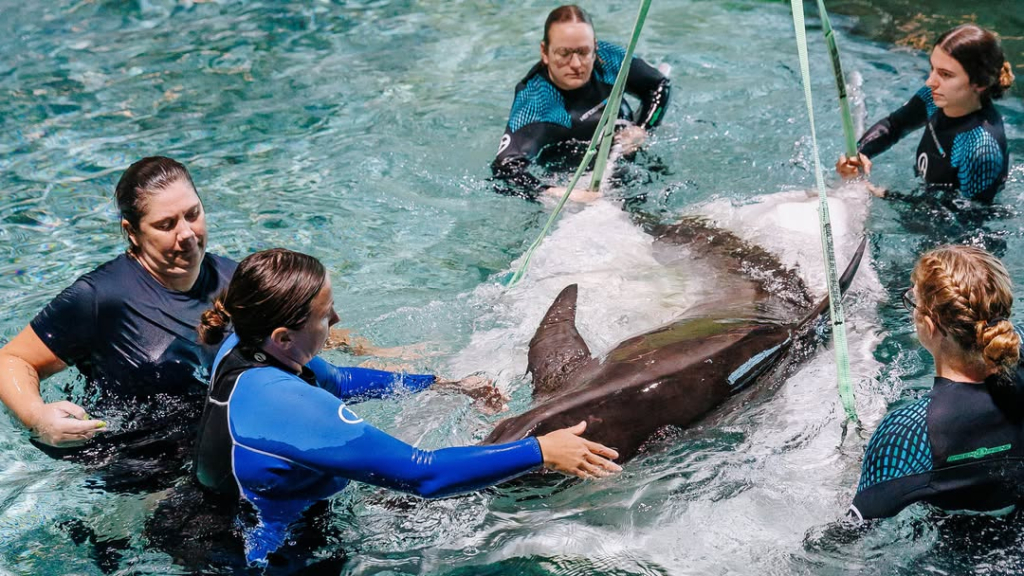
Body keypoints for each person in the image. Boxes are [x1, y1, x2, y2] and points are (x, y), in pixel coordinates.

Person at [193, 248, 622, 568]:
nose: (338, 320)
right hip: (268, 558)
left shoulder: (242, 341)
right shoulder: (285, 405)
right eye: (325, 316)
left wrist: (440, 385)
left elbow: (337, 379)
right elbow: (424, 473)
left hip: (213, 515)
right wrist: (541, 451)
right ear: (283, 338)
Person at [0, 157, 237, 471]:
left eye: (193, 215)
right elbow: (12, 360)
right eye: (166, 225)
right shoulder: (102, 297)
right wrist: (38, 418)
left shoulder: (237, 280)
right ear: (133, 232)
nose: (187, 235)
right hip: (137, 465)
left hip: (218, 448)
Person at [850, 245, 1024, 520]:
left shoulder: (908, 432)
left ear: (929, 326)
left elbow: (849, 533)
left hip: (951, 555)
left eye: (913, 302)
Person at [491, 4, 671, 201]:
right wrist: (552, 193)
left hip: (627, 155)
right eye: (564, 53)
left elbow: (659, 85)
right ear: (544, 52)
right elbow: (504, 169)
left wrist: (643, 128)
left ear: (594, 47)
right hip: (572, 177)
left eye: (584, 52)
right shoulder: (535, 103)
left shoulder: (608, 59)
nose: (576, 64)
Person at [837, 24, 1015, 203]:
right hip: (927, 195)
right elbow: (895, 125)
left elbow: (964, 222)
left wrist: (885, 195)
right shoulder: (936, 98)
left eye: (945, 74)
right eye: (933, 68)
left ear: (979, 82)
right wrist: (858, 154)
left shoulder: (980, 150)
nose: (930, 81)